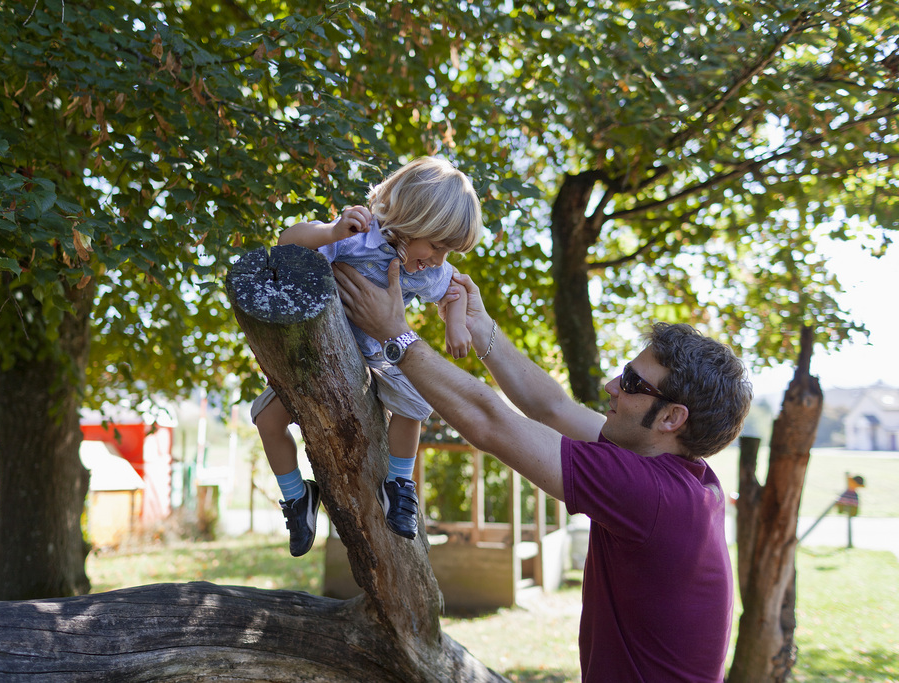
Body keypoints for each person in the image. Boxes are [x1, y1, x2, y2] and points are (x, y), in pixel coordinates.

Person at [332, 258, 752, 683]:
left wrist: (395, 334)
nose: (611, 387)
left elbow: (490, 423)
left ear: (671, 419)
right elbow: (552, 407)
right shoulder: (678, 473)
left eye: (630, 382)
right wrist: (482, 328)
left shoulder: (650, 495)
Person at [251, 156, 483, 557]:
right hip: (318, 355)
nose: (440, 259)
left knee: (416, 402)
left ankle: (398, 481)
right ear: (413, 218)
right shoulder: (355, 233)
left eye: (448, 252)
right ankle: (297, 495)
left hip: (378, 356)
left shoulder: (427, 270)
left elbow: (456, 289)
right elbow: (286, 242)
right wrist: (329, 231)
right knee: (266, 419)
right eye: (437, 246)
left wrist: (455, 324)